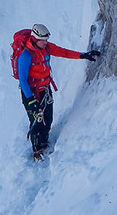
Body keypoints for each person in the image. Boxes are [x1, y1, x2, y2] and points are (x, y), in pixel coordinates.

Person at [17, 23, 100, 160]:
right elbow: (23, 80)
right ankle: (37, 151)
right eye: (42, 40)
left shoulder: (47, 48)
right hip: (31, 93)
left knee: (47, 118)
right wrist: (31, 101)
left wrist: (83, 55)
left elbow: (63, 52)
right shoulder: (26, 56)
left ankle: (44, 142)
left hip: (45, 90)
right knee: (36, 122)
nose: (45, 42)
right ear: (35, 38)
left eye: (46, 39)